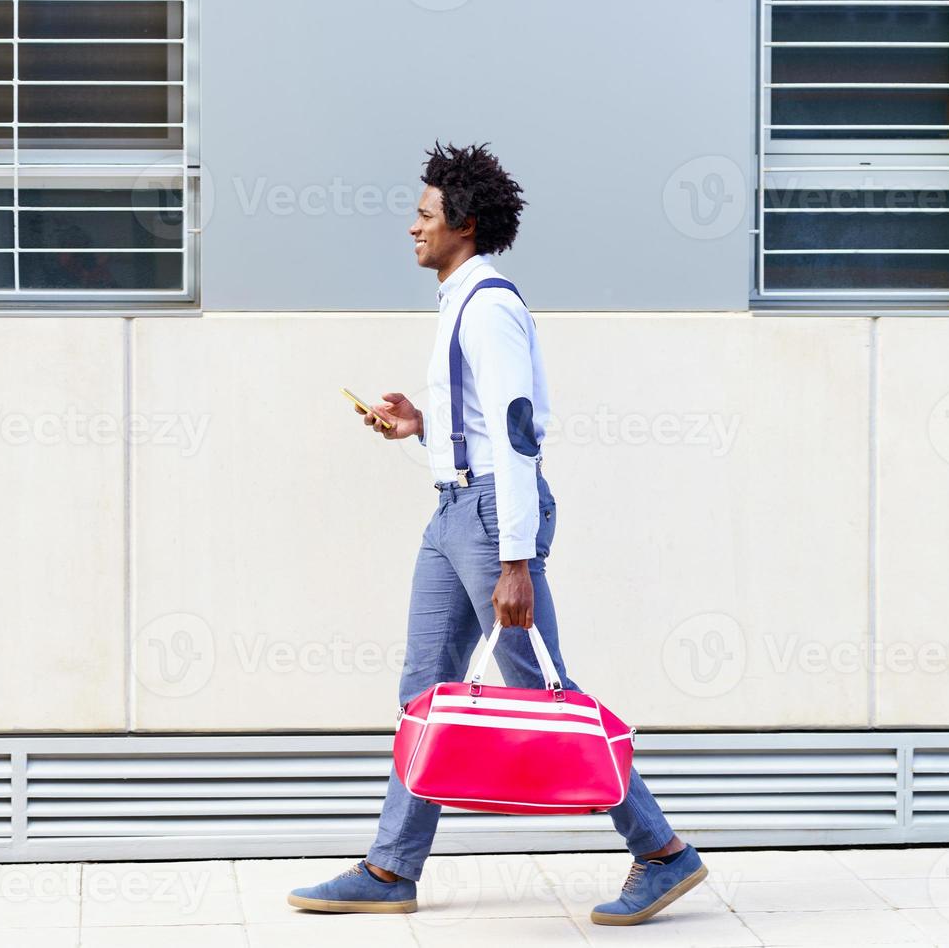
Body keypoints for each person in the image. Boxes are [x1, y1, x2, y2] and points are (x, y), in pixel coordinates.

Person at [285, 143, 709, 926]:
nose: (410, 226)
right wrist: (418, 428)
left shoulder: (490, 308)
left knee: (543, 684)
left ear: (463, 224)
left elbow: (516, 438)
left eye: (423, 214)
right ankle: (391, 868)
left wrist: (515, 559)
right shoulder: (457, 302)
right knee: (423, 694)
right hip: (453, 511)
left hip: (489, 522)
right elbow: (480, 429)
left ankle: (661, 851)